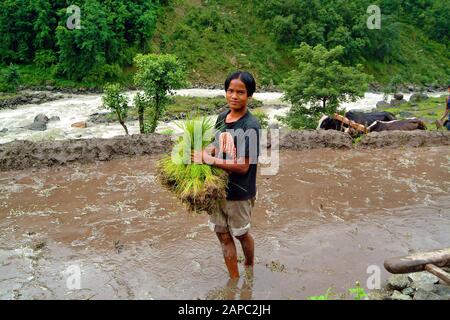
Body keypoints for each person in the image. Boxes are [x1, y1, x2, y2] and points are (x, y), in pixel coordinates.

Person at [192, 71, 261, 279]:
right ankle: (234, 279)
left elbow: (243, 166)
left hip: (240, 193)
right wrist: (206, 152)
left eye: (240, 92)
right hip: (218, 189)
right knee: (222, 234)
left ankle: (249, 264)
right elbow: (217, 142)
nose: (234, 96)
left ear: (249, 96)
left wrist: (210, 160)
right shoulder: (222, 117)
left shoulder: (251, 126)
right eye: (230, 91)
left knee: (241, 234)